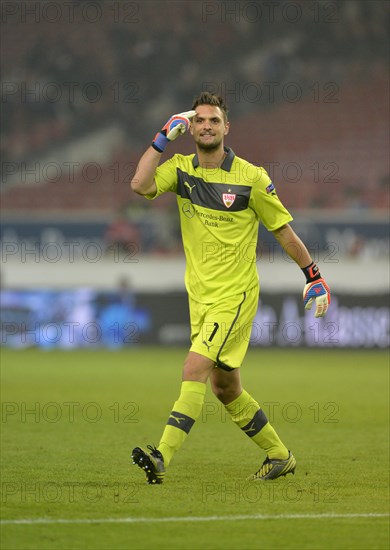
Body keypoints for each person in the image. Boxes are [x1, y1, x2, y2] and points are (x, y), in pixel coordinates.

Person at [130, 92, 330, 484]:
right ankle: (279, 455)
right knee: (225, 387)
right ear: (191, 128)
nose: (206, 126)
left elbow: (283, 232)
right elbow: (139, 184)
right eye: (200, 120)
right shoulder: (180, 169)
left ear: (226, 127)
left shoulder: (251, 177)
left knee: (194, 368)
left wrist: (314, 275)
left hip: (235, 296)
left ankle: (161, 456)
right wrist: (161, 138)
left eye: (214, 120)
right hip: (200, 297)